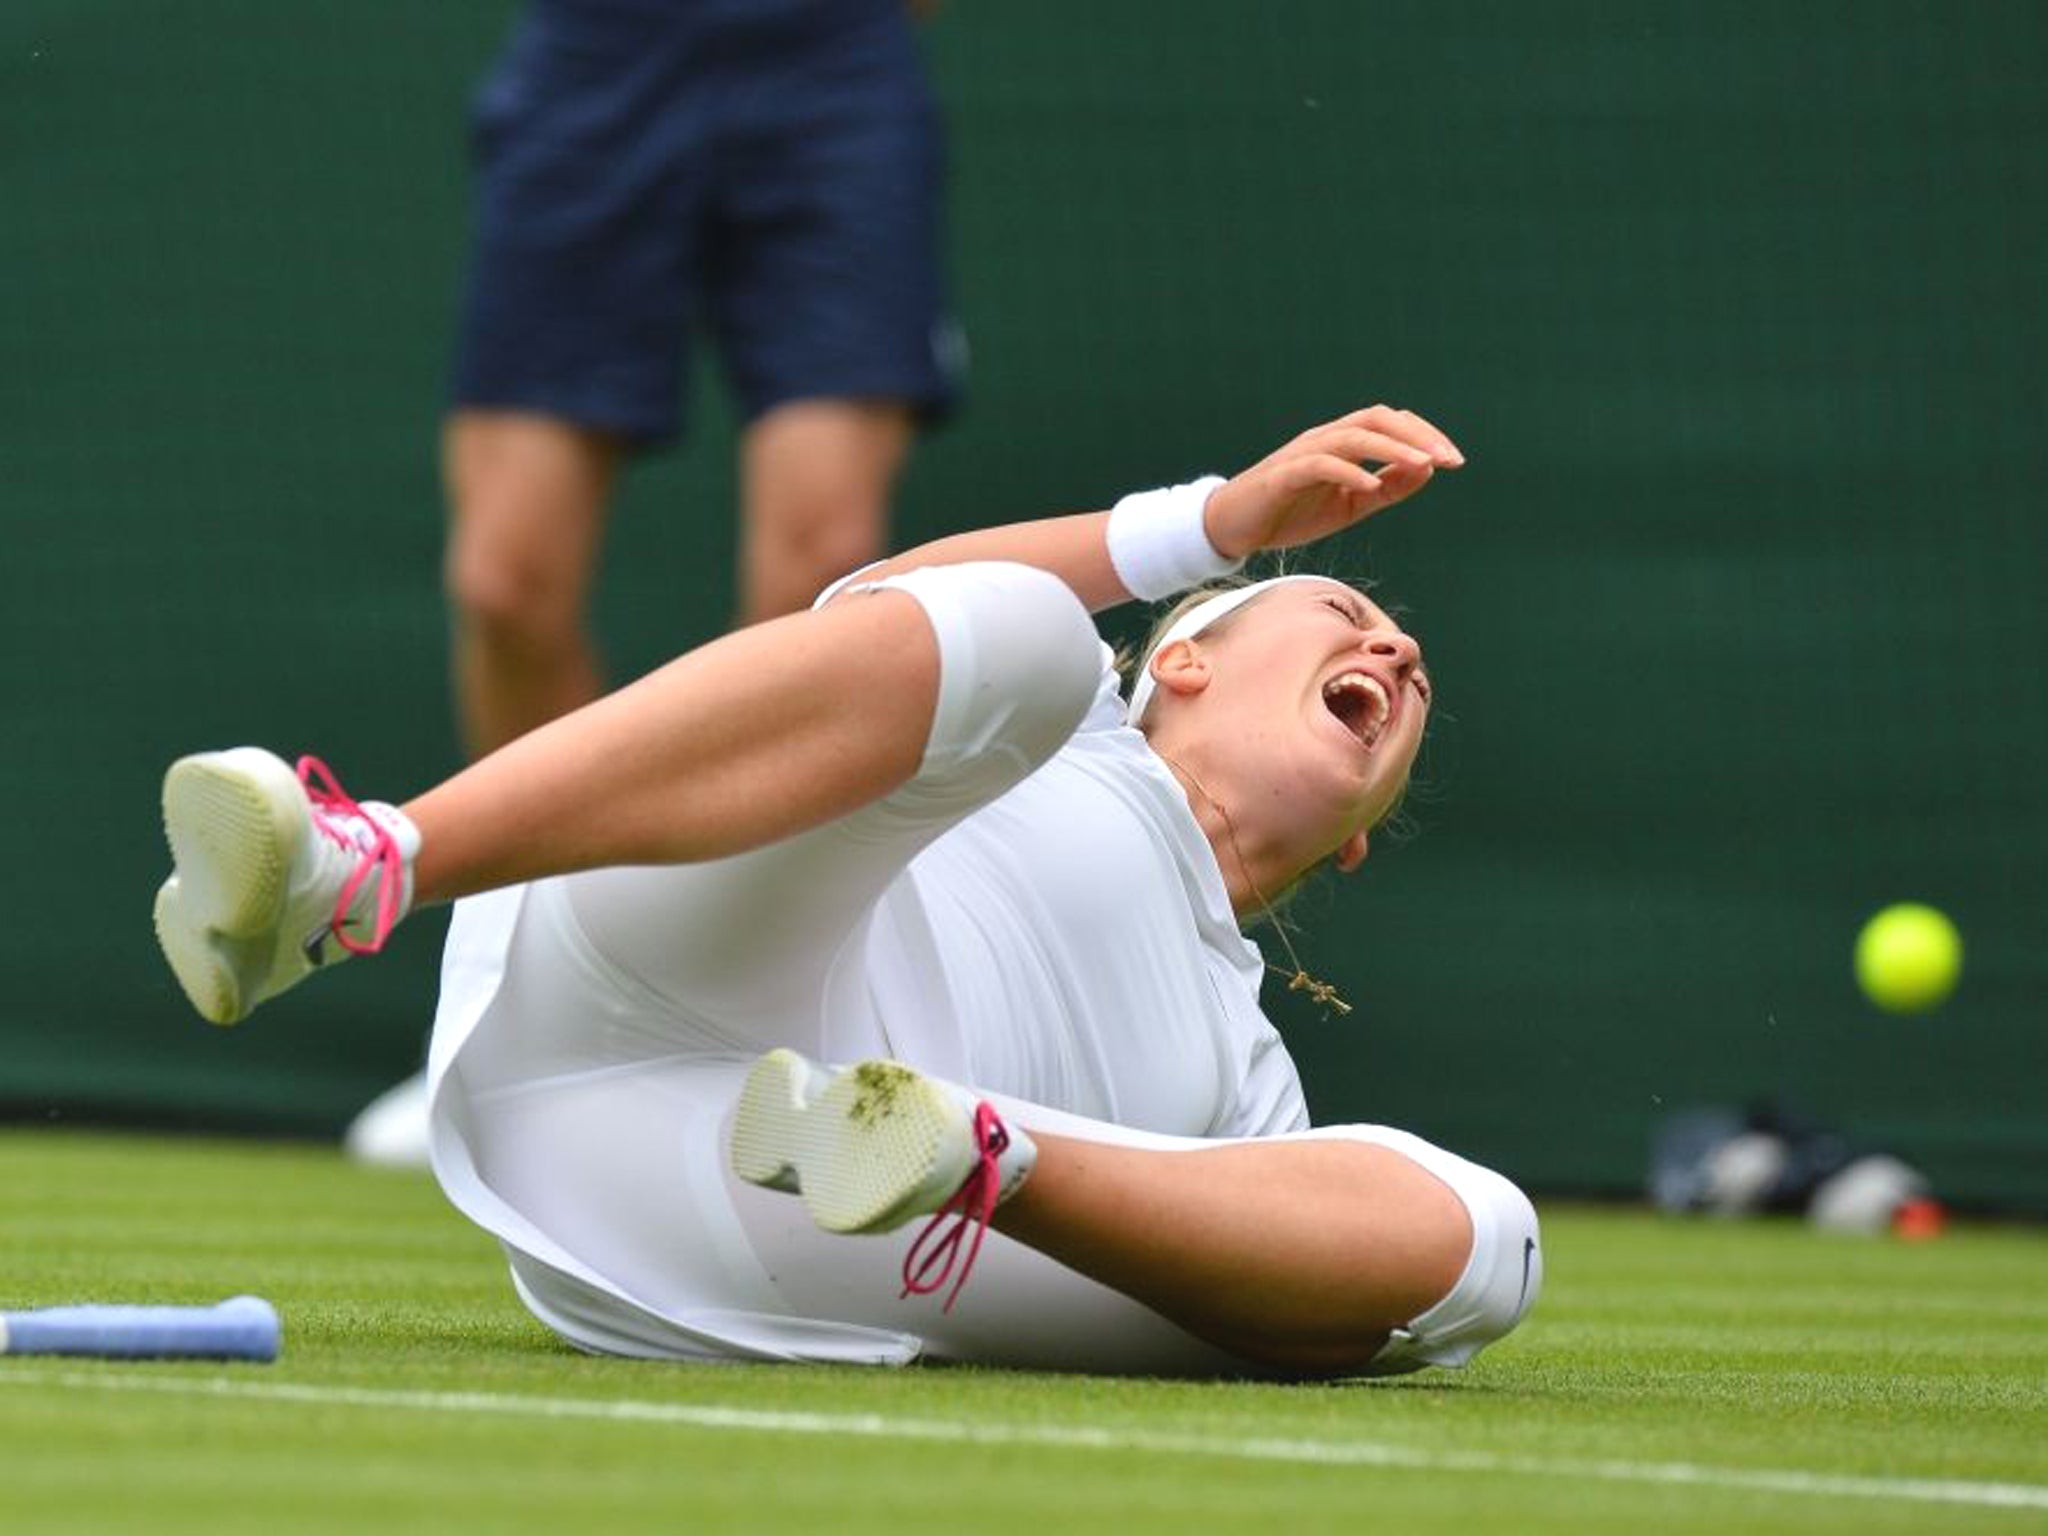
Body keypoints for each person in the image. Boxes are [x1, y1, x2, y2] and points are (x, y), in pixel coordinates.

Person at [153, 404, 1543, 1379]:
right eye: (1350, 618)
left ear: (1357, 841)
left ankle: (969, 1150)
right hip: (642, 985)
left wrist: (980, 1170)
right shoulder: (1084, 725)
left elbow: (1372, 1281)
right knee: (1020, 629)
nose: (1398, 654)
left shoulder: (1253, 1090)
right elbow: (887, 610)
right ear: (1182, 662)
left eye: (1413, 667)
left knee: (1488, 1245)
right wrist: (1218, 525)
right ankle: (363, 871)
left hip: (788, 1222)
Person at [351, 0, 961, 1164]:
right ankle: (530, 1022)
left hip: (831, 62)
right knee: (503, 580)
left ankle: (742, 1022)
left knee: (817, 567)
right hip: (598, 58)